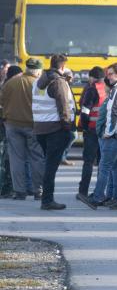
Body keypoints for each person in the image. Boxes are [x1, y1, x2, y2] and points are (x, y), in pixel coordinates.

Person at [82, 63, 117, 210]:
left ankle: (97, 198)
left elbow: (114, 114)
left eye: (111, 73)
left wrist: (108, 132)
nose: (108, 76)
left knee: (105, 167)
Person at [33, 54, 76, 210]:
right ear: (63, 67)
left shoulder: (39, 81)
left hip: (40, 128)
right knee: (51, 166)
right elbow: (64, 106)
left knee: (48, 164)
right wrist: (67, 126)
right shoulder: (58, 82)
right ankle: (47, 200)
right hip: (55, 129)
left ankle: (45, 198)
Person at [2, 59, 46, 200]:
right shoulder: (39, 84)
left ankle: (19, 191)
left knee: (16, 158)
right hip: (33, 125)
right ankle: (38, 190)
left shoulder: (10, 83)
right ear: (38, 71)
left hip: (12, 125)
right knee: (36, 157)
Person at [76, 67, 106, 201]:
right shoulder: (107, 89)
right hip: (104, 131)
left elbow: (85, 111)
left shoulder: (91, 89)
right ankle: (100, 192)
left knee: (88, 162)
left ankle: (83, 191)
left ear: (92, 77)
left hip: (92, 130)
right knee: (102, 162)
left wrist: (84, 126)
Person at [0, 64, 21, 197]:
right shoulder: (9, 87)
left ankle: (6, 188)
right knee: (7, 159)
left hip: (6, 126)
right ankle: (6, 188)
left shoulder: (6, 86)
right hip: (6, 126)